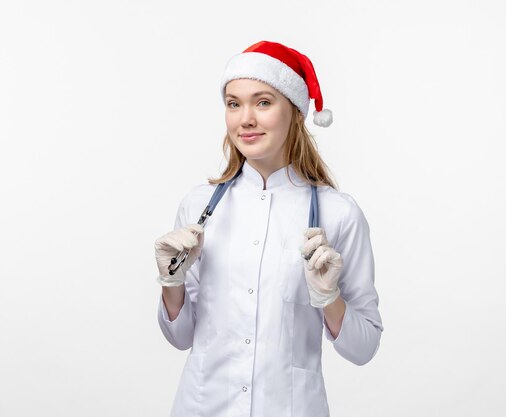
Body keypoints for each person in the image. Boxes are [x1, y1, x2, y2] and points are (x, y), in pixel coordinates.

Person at [154, 40, 383, 417]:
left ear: (294, 111)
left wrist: (330, 300)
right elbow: (179, 338)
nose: (245, 118)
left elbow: (364, 347)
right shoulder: (199, 208)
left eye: (262, 102)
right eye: (233, 103)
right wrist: (172, 285)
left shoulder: (338, 214)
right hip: (203, 406)